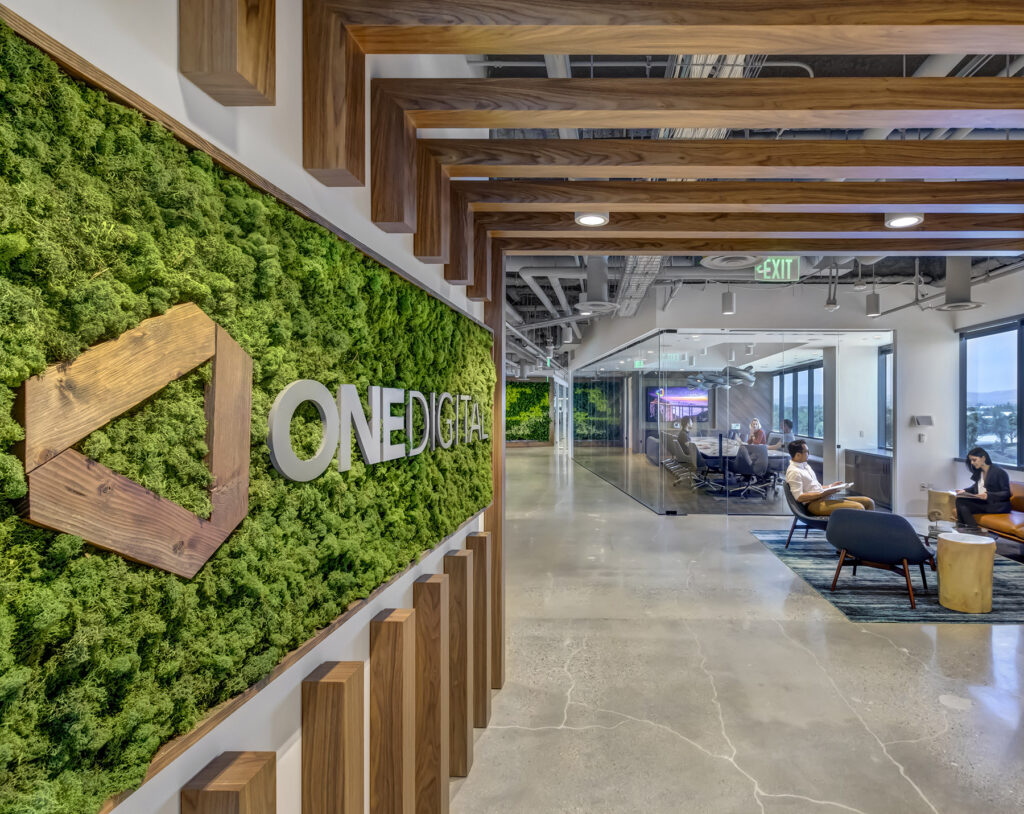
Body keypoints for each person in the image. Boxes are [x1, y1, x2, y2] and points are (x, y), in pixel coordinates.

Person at [785, 439, 874, 515]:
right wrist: (823, 493)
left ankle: (868, 530)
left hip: (823, 498)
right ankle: (854, 530)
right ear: (798, 455)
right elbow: (799, 497)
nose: (809, 453)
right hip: (813, 504)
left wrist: (831, 486)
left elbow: (815, 488)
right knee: (859, 508)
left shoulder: (805, 466)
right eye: (807, 451)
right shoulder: (794, 472)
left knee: (869, 502)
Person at [955, 446, 1011, 529]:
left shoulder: (999, 472)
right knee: (960, 500)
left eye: (974, 460)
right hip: (984, 502)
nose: (972, 463)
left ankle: (969, 529)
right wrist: (964, 491)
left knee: (962, 503)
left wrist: (988, 495)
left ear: (983, 458)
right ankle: (966, 528)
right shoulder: (979, 471)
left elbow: (1007, 493)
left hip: (997, 505)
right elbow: (976, 486)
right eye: (971, 460)